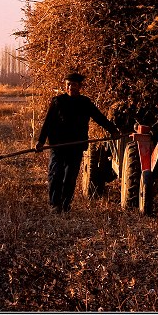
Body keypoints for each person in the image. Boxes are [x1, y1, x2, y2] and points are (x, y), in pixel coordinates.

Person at [35, 72, 120, 213]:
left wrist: (113, 130)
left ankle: (65, 204)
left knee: (70, 177)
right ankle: (54, 204)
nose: (70, 87)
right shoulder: (57, 101)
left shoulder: (85, 103)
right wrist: (40, 141)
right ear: (65, 86)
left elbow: (99, 118)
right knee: (55, 174)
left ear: (79, 86)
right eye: (68, 84)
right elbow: (48, 123)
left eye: (74, 85)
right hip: (58, 146)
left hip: (76, 146)